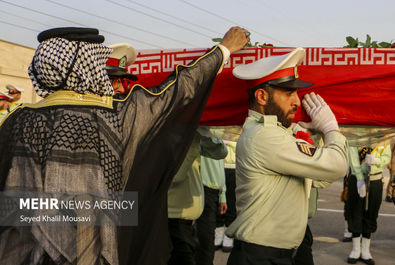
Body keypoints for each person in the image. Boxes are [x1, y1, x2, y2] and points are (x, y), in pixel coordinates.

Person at [0, 26, 249, 265]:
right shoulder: (116, 115)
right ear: (85, 65)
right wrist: (224, 49)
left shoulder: (17, 120)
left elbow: (10, 204)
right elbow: (177, 90)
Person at [225, 47, 349, 265]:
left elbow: (322, 178)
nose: (297, 102)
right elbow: (337, 167)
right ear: (262, 96)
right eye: (288, 92)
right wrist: (331, 129)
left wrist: (315, 137)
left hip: (281, 254)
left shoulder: (279, 134)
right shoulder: (264, 136)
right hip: (260, 257)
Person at [167, 131, 228, 265]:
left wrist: (203, 132)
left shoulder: (189, 132)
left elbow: (221, 152)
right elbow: (173, 176)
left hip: (183, 220)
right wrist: (194, 138)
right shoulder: (168, 131)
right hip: (173, 218)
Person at [346, 143, 391, 265]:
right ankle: (355, 250)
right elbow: (353, 159)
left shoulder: (383, 139)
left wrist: (376, 160)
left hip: (375, 180)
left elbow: (387, 157)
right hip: (357, 179)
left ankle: (365, 251)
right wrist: (360, 179)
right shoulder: (356, 136)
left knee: (371, 214)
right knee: (356, 213)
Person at [195, 139, 228, 265]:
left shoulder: (213, 133)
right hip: (203, 189)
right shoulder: (204, 134)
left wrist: (223, 194)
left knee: (206, 240)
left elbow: (220, 163)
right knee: (205, 241)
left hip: (214, 192)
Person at [215, 140, 237, 252]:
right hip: (218, 165)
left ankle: (229, 234)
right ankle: (218, 230)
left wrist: (227, 142)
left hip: (235, 167)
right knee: (218, 200)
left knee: (232, 201)